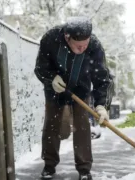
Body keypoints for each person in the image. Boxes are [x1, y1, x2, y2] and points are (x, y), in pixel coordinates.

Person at [34, 16, 114, 180]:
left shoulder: (94, 46)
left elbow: (102, 78)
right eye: (79, 46)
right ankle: (49, 165)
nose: (83, 48)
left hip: (80, 89)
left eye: (86, 44)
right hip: (56, 88)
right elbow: (40, 68)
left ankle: (84, 169)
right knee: (52, 125)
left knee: (82, 127)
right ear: (67, 37)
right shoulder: (51, 39)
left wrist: (101, 105)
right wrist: (51, 78)